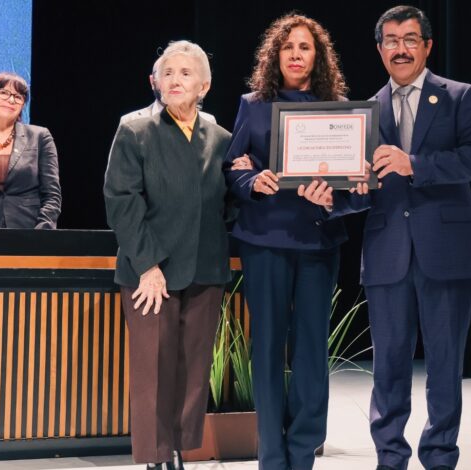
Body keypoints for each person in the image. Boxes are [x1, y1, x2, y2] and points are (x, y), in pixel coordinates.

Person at [362, 6, 471, 470]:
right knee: (388, 365)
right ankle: (389, 456)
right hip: (387, 252)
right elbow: (360, 187)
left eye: (410, 39)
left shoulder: (459, 96)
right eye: (392, 41)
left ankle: (439, 456)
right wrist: (348, 188)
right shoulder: (364, 110)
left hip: (448, 253)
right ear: (380, 50)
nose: (401, 49)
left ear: (427, 46)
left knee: (445, 364)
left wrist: (413, 164)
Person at [222, 14, 352, 470]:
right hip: (265, 240)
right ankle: (272, 458)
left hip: (318, 242)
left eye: (305, 47)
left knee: (313, 351)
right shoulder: (253, 104)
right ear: (275, 55)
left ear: (319, 57)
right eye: (288, 47)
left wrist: (333, 200)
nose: (296, 54)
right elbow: (233, 167)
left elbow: (356, 184)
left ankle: (302, 454)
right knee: (267, 347)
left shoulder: (340, 109)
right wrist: (251, 181)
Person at [104, 40, 232, 470]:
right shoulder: (135, 130)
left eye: (186, 73)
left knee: (193, 367)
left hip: (205, 267)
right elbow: (121, 200)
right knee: (153, 367)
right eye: (168, 73)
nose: (176, 80)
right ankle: (157, 456)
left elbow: (229, 203)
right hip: (150, 271)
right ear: (155, 82)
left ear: (204, 86)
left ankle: (178, 449)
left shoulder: (221, 138)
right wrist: (148, 265)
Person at [0, 72, 61, 228]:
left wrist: (43, 231)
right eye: (4, 93)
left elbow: (52, 195)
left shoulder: (40, 137)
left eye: (18, 96)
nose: (11, 100)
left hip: (28, 232)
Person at [120, 56, 217, 124]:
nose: (174, 82)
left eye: (184, 75)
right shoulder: (131, 121)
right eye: (167, 74)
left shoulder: (207, 121)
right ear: (152, 81)